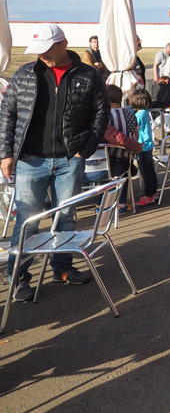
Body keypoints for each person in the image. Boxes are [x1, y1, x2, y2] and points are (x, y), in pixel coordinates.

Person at [1, 23, 109, 298]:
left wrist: (84, 150)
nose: (43, 55)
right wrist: (6, 153)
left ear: (63, 44)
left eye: (47, 49)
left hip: (69, 159)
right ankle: (18, 278)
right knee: (28, 221)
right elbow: (7, 114)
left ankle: (62, 266)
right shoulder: (25, 74)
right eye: (39, 50)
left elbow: (100, 114)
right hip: (30, 160)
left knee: (66, 217)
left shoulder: (89, 75)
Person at [126, 87, 160, 206]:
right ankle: (153, 192)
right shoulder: (145, 113)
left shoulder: (138, 115)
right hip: (148, 145)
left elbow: (132, 127)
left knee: (145, 172)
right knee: (150, 171)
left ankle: (148, 195)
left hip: (142, 146)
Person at [152, 41, 170, 105]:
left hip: (167, 78)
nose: (169, 52)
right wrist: (155, 75)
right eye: (169, 51)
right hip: (161, 77)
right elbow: (155, 65)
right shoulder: (160, 54)